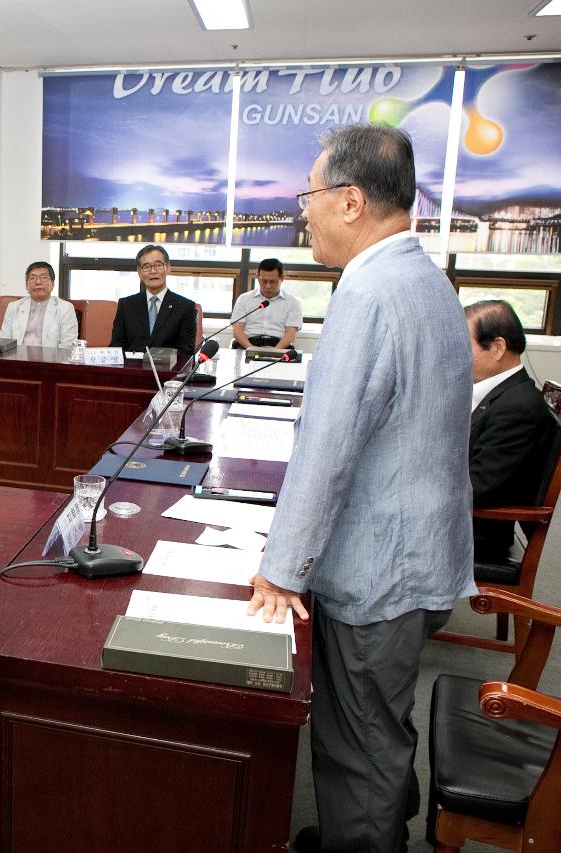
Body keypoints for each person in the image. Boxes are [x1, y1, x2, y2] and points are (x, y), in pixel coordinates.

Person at [245, 125, 476, 853]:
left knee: (359, 741)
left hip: (379, 569)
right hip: (421, 556)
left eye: (308, 195)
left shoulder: (367, 291)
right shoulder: (426, 277)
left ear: (350, 201)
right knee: (381, 725)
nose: (301, 210)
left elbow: (329, 446)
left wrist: (281, 569)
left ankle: (366, 838)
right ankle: (365, 827)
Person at [466, 299, 558, 562]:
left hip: (479, 533)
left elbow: (479, 486)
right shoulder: (506, 394)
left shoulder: (517, 407)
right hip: (472, 520)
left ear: (497, 347)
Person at [109, 244, 197, 357]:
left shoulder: (185, 307)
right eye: (146, 266)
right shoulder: (126, 305)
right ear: (139, 272)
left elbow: (186, 353)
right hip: (132, 370)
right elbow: (116, 346)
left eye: (158, 265)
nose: (153, 271)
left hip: (168, 372)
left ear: (168, 268)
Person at [0, 261, 79, 348]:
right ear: (26, 285)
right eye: (32, 278)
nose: (38, 282)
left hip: (51, 360)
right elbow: (4, 341)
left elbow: (68, 346)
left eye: (44, 277)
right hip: (17, 359)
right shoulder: (14, 307)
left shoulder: (65, 308)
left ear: (52, 284)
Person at [230, 257, 302, 349]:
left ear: (282, 278)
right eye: (264, 281)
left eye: (272, 282)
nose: (268, 286)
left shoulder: (292, 302)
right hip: (247, 344)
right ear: (257, 277)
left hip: (279, 345)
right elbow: (237, 329)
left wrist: (275, 351)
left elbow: (291, 333)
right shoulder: (244, 299)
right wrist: (251, 349)